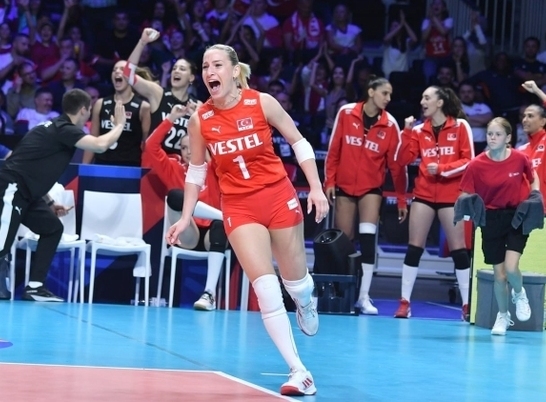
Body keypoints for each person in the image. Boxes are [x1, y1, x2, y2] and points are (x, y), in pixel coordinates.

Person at [166, 44, 329, 396]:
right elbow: (196, 171)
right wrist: (185, 217)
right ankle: (299, 371)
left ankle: (305, 299)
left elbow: (299, 143)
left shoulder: (262, 102)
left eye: (217, 65)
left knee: (295, 282)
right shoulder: (200, 120)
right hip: (238, 206)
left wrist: (316, 188)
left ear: (235, 70)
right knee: (266, 288)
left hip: (277, 195)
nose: (210, 72)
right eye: (205, 66)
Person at [0, 88, 127, 302]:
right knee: (1, 246)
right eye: (89, 109)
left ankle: (35, 287)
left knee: (52, 228)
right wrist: (120, 125)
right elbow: (100, 145)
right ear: (84, 110)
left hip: (27, 193)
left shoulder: (53, 128)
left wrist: (49, 201)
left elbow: (34, 168)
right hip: (10, 189)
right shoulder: (64, 129)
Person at [324, 76, 408, 315]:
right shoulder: (346, 112)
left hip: (371, 188)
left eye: (390, 94)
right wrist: (329, 181)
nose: (388, 98)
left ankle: (363, 296)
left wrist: (401, 198)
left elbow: (397, 167)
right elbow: (333, 150)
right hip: (344, 186)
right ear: (371, 92)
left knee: (368, 238)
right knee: (344, 241)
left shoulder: (390, 124)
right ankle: (342, 293)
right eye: (384, 93)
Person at [394, 86, 474, 320]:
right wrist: (407, 131)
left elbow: (469, 160)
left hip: (451, 196)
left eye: (427, 97)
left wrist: (442, 169)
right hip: (424, 193)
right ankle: (404, 303)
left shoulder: (461, 126)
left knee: (459, 249)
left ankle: (467, 305)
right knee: (414, 247)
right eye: (422, 97)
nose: (422, 101)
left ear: (440, 102)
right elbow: (402, 159)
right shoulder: (419, 130)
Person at [143, 104, 227, 311]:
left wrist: (204, 118)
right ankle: (223, 216)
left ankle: (209, 293)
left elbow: (223, 142)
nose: (189, 152)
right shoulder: (174, 169)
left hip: (213, 238)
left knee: (220, 226)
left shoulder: (215, 168)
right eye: (183, 148)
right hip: (188, 234)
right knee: (175, 195)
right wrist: (171, 118)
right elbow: (151, 146)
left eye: (194, 145)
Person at [457, 117, 536, 335]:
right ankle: (503, 315)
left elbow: (533, 178)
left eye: (498, 134)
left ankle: (519, 293)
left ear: (508, 138)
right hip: (491, 219)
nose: (492, 138)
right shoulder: (476, 164)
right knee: (499, 275)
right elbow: (466, 191)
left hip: (516, 216)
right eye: (489, 134)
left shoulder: (520, 159)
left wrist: (536, 194)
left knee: (511, 268)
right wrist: (466, 205)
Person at [124, 28, 202, 156]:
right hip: (154, 162)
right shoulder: (158, 93)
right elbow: (127, 74)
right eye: (174, 68)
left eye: (182, 69)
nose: (176, 71)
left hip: (180, 164)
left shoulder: (197, 105)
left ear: (191, 78)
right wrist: (142, 42)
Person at [82, 60, 151, 166]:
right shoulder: (100, 104)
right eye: (114, 70)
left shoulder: (143, 107)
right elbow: (93, 139)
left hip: (130, 166)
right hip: (102, 164)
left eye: (122, 69)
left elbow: (147, 144)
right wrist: (84, 167)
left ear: (131, 77)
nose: (117, 71)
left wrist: (146, 170)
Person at [519, 81, 546, 209]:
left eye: (530, 116)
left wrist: (537, 92)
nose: (525, 120)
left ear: (543, 121)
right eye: (524, 116)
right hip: (529, 211)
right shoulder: (520, 151)